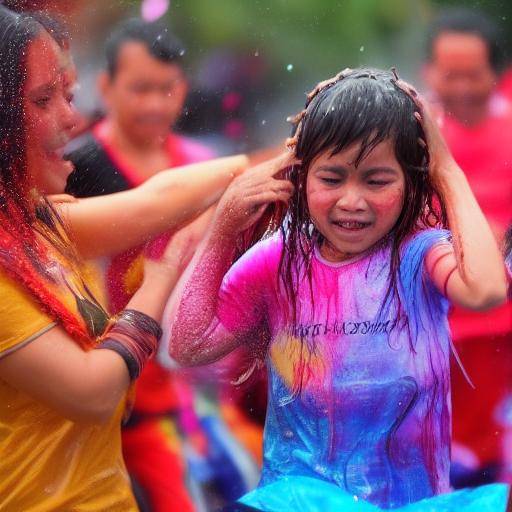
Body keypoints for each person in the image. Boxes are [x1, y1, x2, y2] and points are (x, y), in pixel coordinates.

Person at [166, 68, 509, 511]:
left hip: (411, 500)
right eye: (331, 179)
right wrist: (224, 227)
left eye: (377, 180)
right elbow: (188, 345)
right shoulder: (278, 263)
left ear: (411, 184)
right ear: (299, 176)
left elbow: (485, 292)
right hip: (299, 498)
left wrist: (447, 172)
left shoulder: (419, 257)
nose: (352, 201)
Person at [0, 6, 259, 510]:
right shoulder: (75, 177)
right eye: (43, 99)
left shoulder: (32, 220)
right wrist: (158, 282)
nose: (72, 118)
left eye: (68, 96)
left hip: (158, 426)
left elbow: (152, 204)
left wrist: (289, 153)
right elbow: (93, 394)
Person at [424, 8, 512, 484]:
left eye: (471, 74)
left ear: (497, 73)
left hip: (498, 328)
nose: (458, 85)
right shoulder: (411, 138)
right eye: (448, 73)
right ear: (429, 72)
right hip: (427, 324)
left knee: (486, 452)